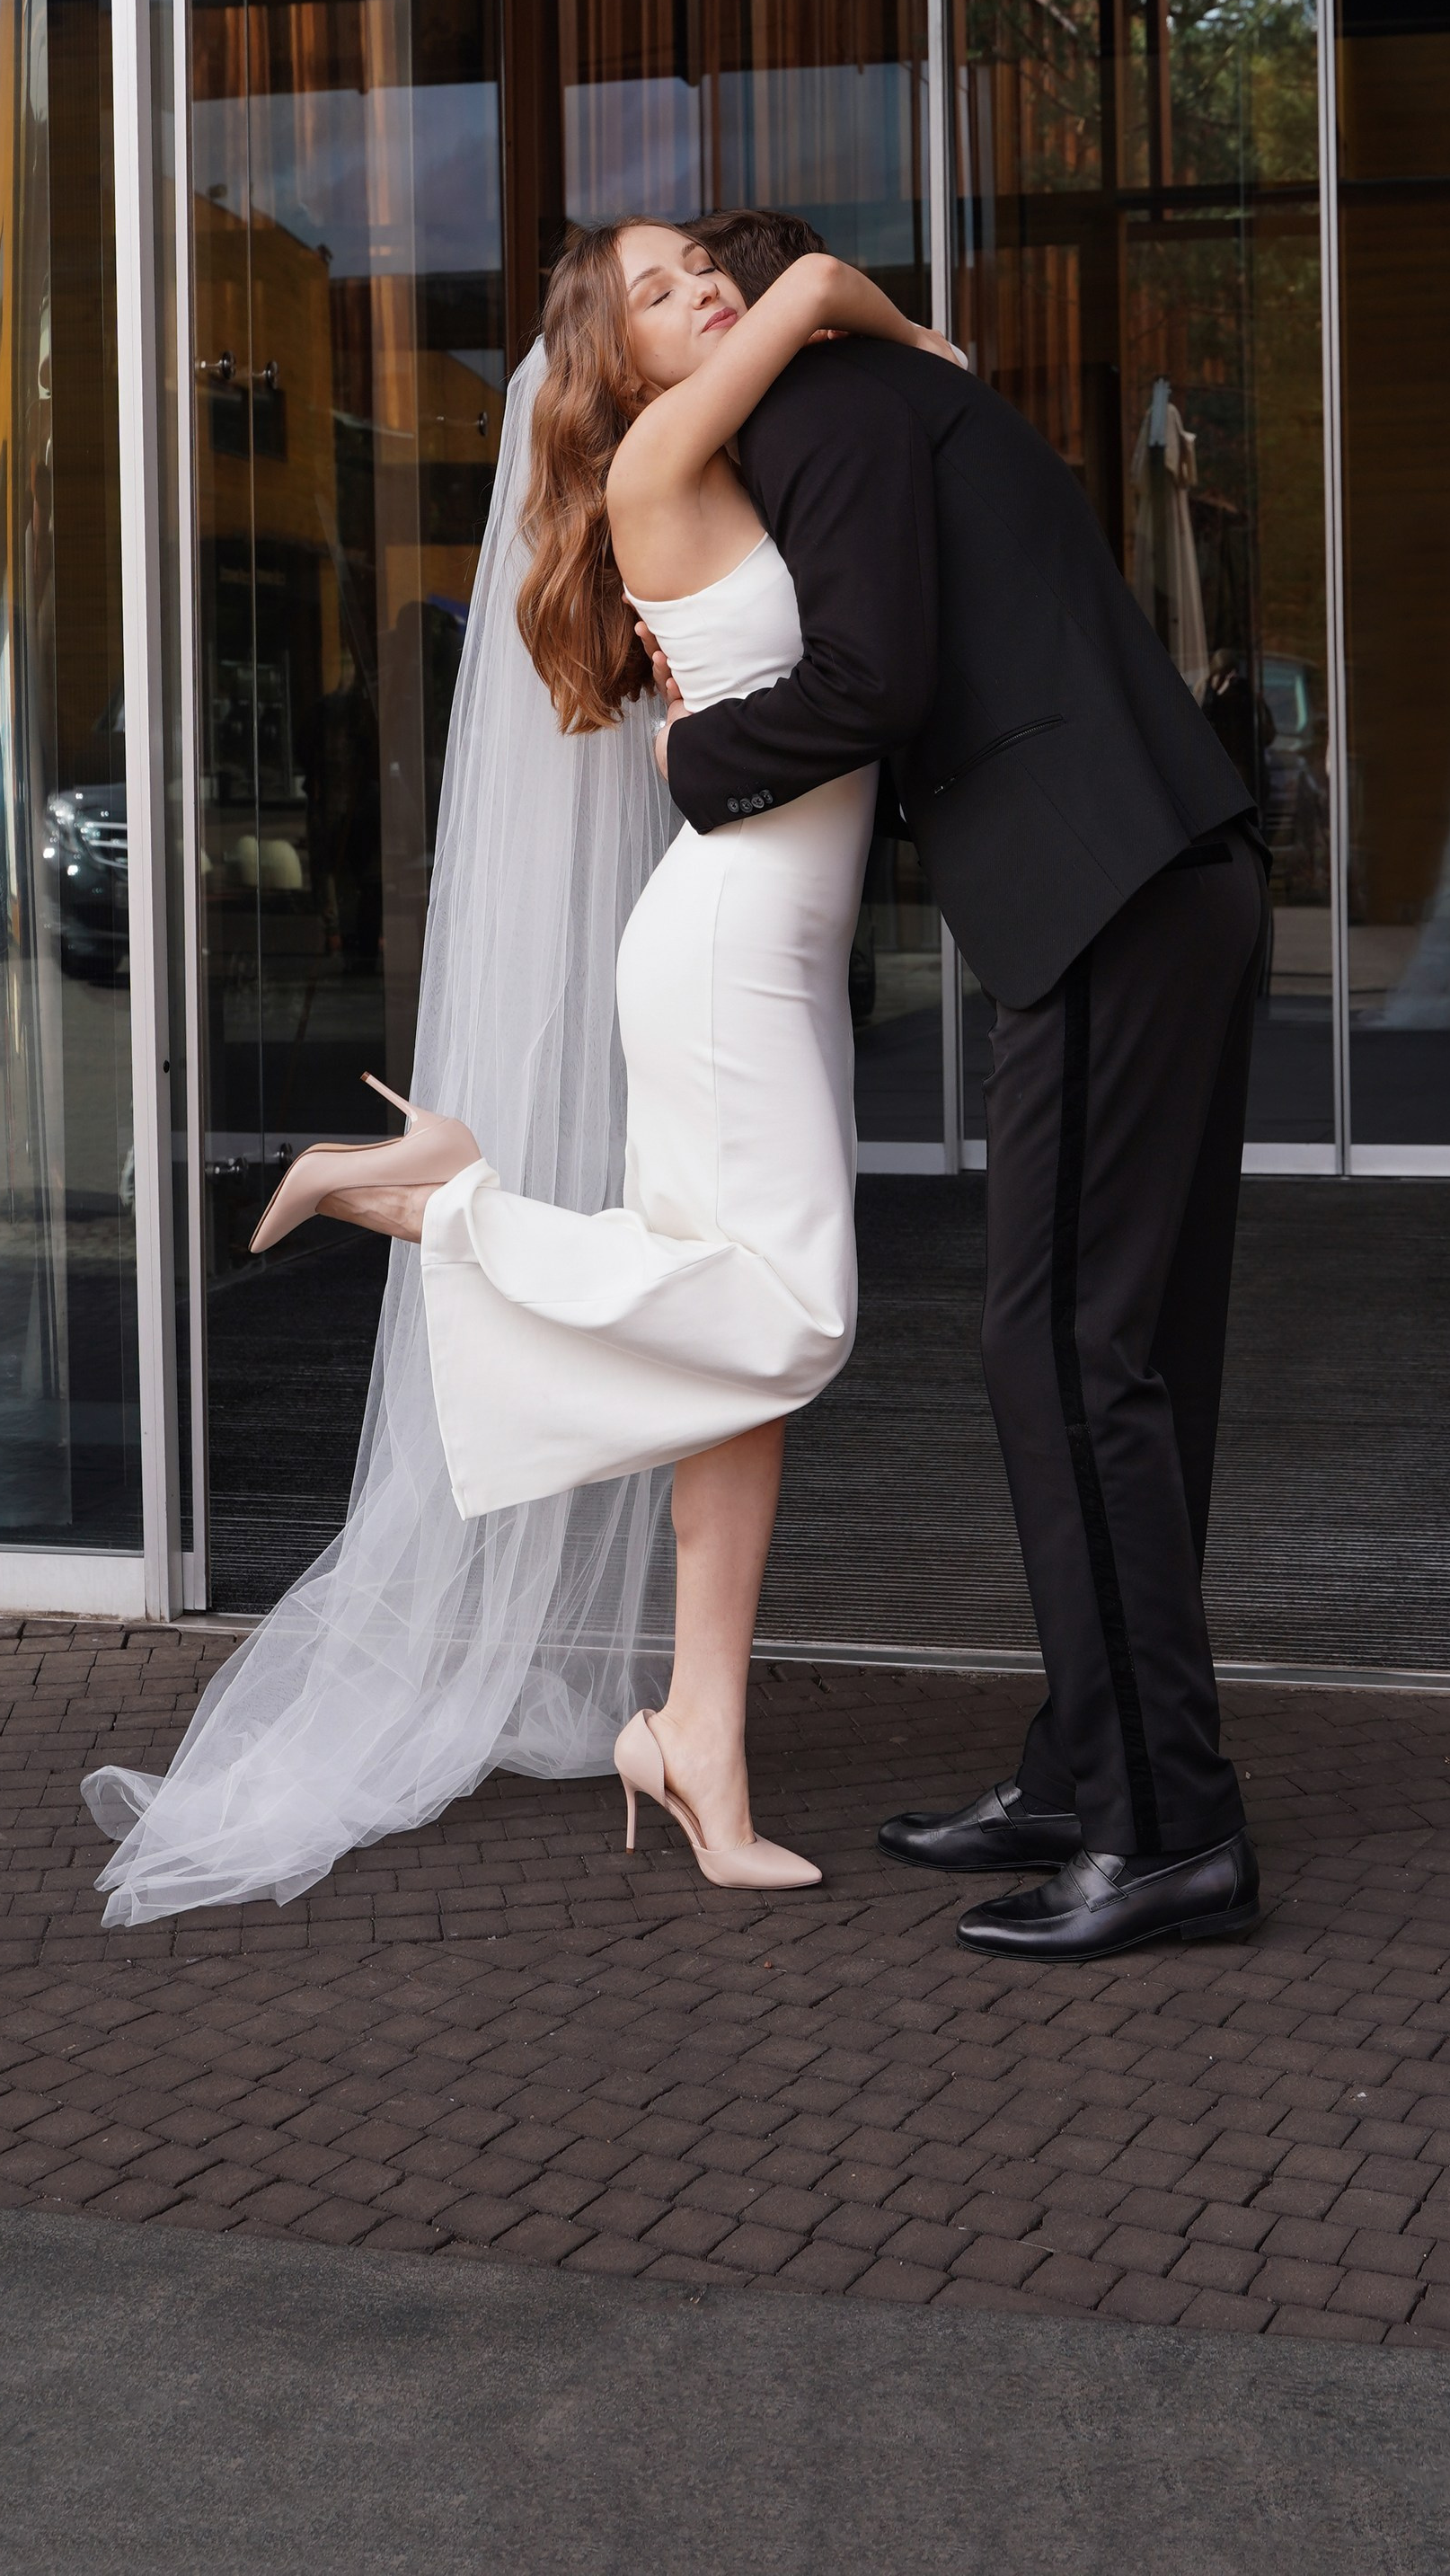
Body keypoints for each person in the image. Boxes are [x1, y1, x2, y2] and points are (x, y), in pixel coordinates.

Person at [82, 220, 956, 1918]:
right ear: (617, 369)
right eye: (661, 290)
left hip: (764, 948)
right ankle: (446, 1204)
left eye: (704, 260)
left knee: (743, 1364)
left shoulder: (724, 450)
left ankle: (697, 1737)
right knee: (791, 1317)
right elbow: (826, 282)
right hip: (726, 952)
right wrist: (912, 339)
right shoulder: (661, 455)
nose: (707, 289)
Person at [663, 208, 1269, 1964]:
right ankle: (1096, 1774)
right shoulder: (895, 400)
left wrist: (693, 756)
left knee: (1065, 1352)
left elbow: (874, 678)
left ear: (768, 315)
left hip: (1100, 884)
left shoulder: (826, 406)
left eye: (713, 284)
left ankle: (1166, 1832)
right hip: (1169, 869)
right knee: (1126, 1356)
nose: (701, 312)